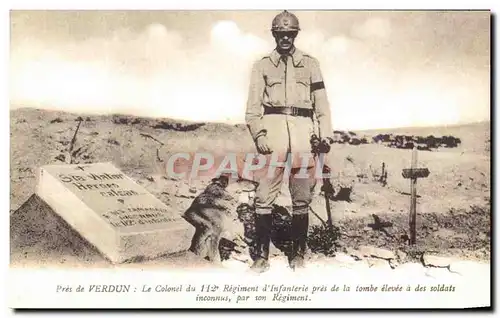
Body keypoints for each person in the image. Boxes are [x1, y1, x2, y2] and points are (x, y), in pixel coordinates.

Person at [245, 10, 333, 272]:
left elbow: (323, 107)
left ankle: (298, 255)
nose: (285, 38)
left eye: (290, 34)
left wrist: (325, 135)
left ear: (295, 35)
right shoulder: (261, 65)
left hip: (305, 138)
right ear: (274, 34)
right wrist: (259, 135)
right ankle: (261, 257)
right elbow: (252, 109)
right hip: (272, 138)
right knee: (263, 196)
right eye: (280, 34)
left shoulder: (310, 64)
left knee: (302, 197)